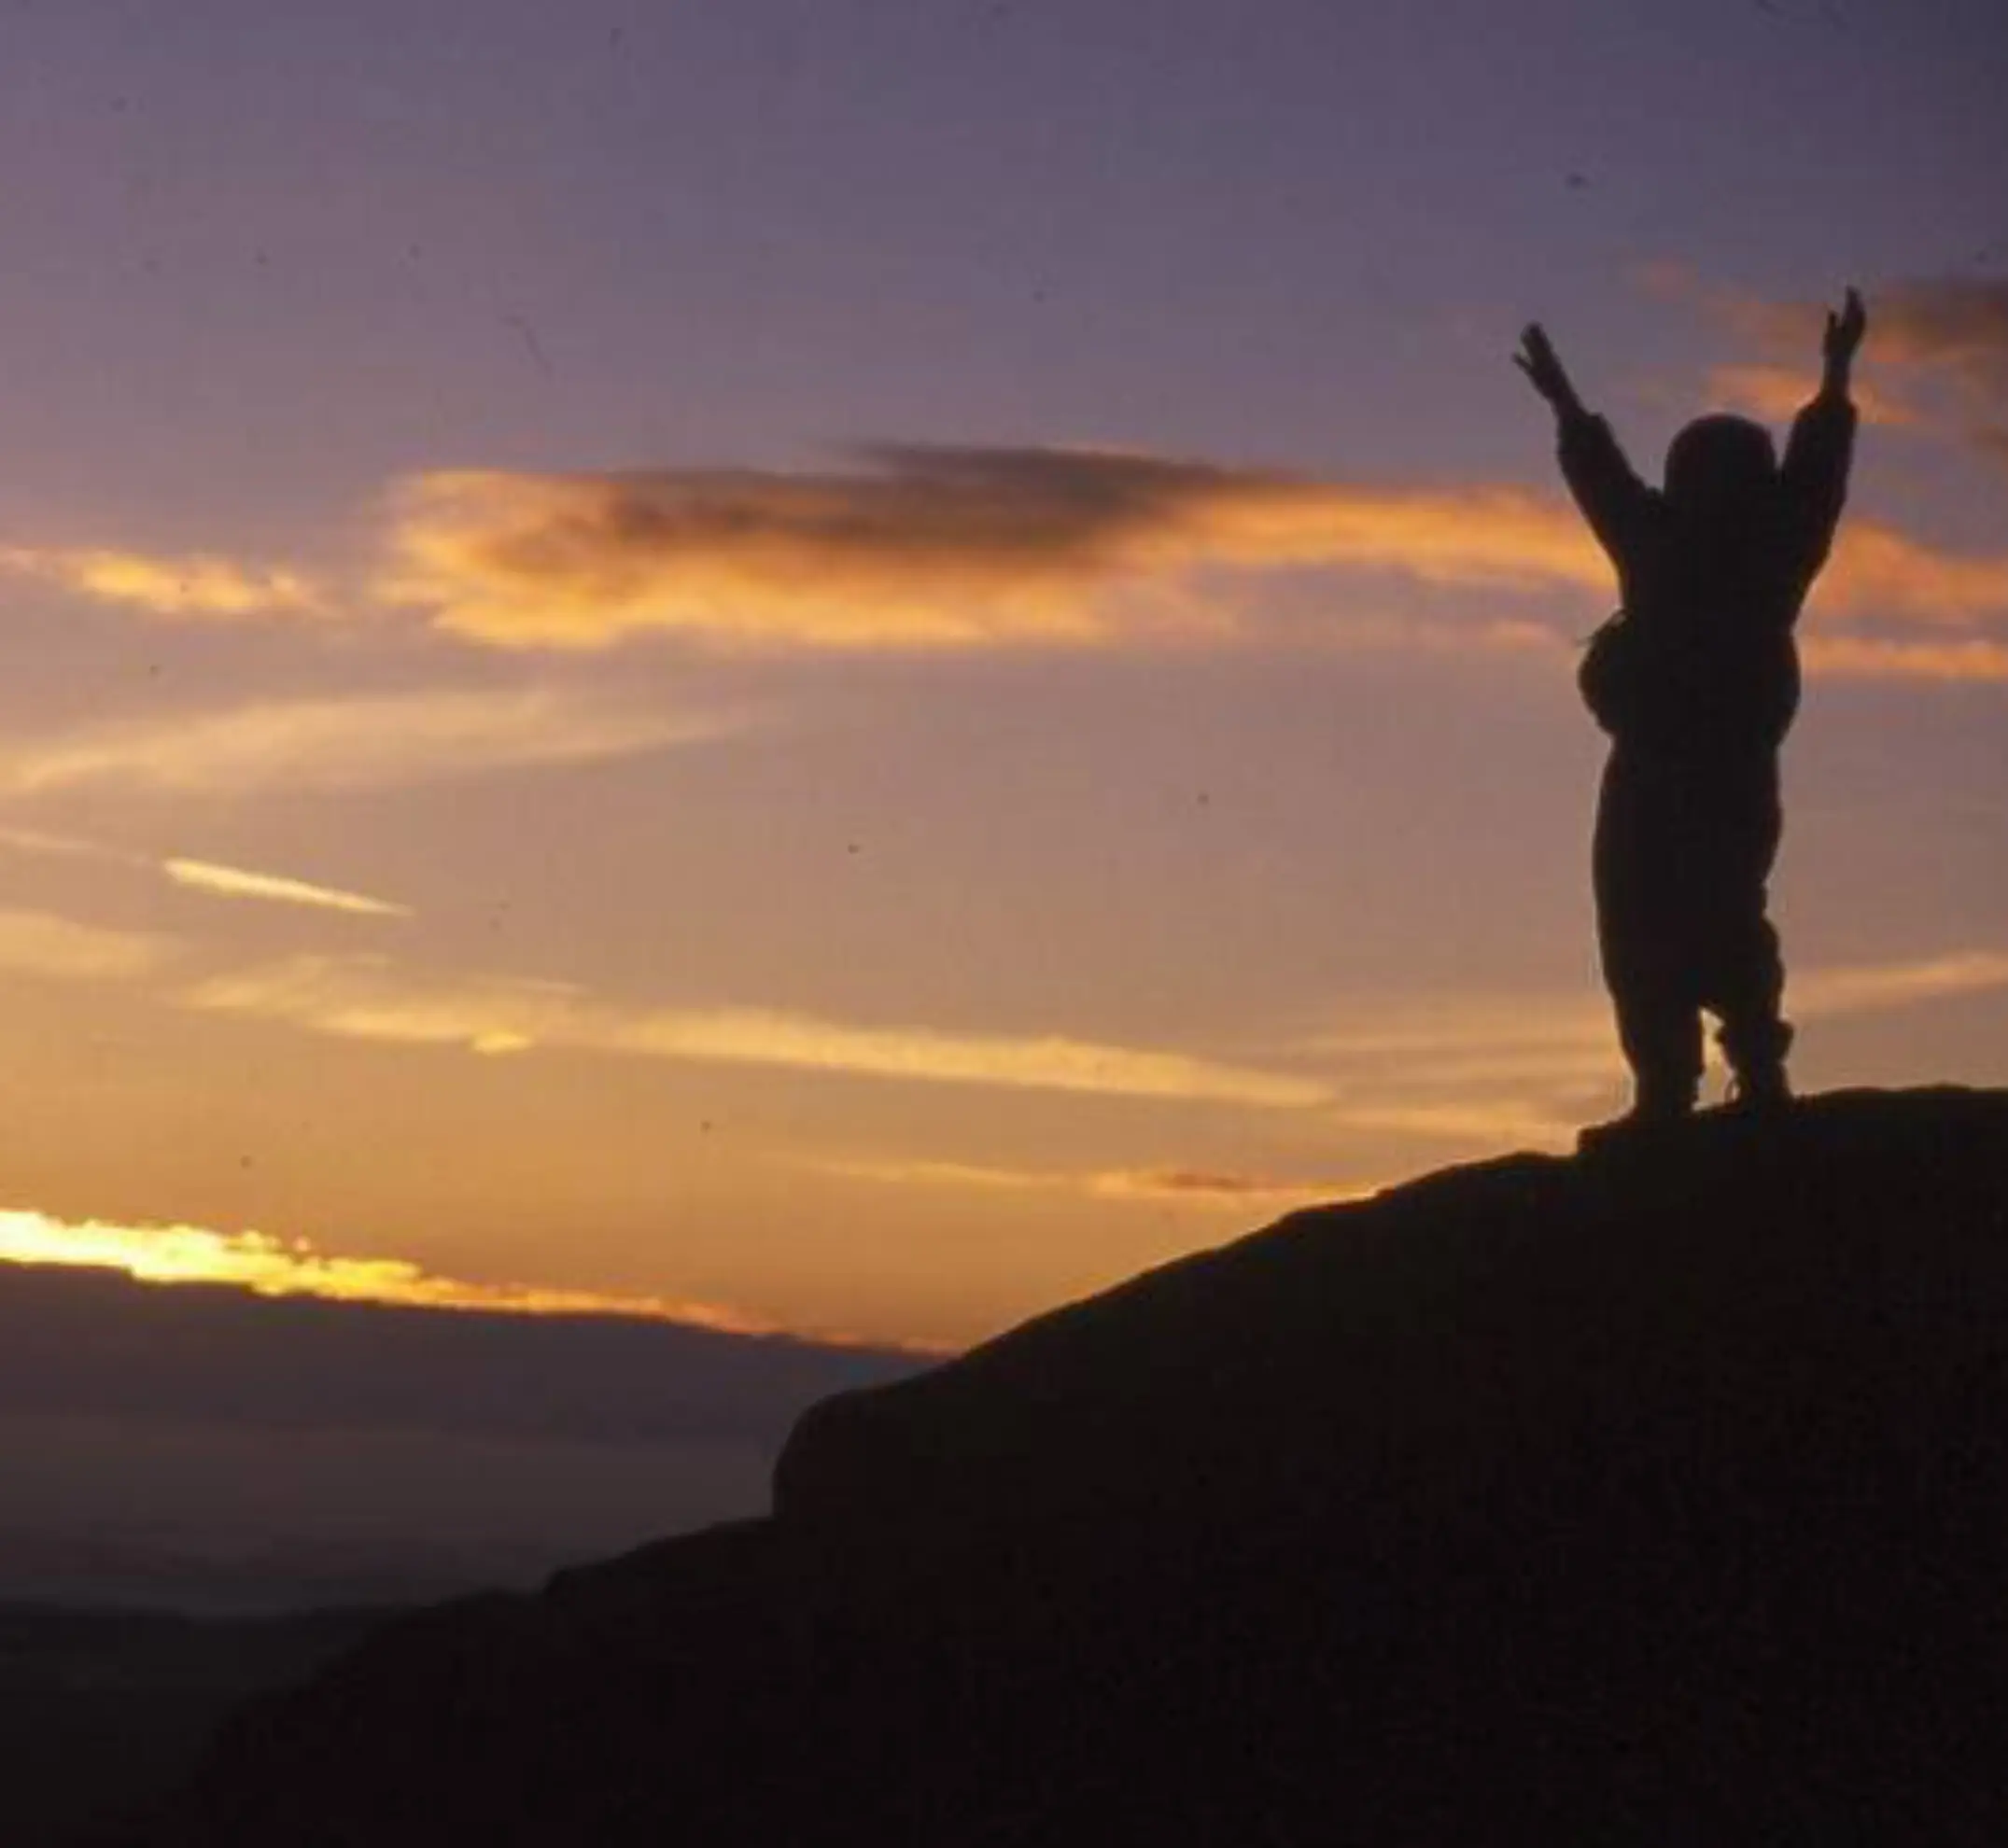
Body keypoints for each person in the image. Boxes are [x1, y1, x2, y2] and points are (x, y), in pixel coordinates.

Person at [1514, 288, 1866, 1140]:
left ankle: (1750, 1070)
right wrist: (1564, 404)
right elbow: (1605, 482)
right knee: (1638, 920)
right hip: (1652, 768)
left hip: (1719, 770)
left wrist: (1836, 374)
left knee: (1719, 914)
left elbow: (1814, 473)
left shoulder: (1764, 550)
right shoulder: (1670, 542)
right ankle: (1669, 1088)